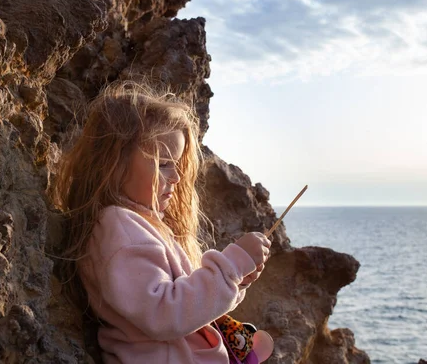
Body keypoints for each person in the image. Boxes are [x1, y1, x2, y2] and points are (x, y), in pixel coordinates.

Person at [50, 80, 271, 363]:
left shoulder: (138, 223)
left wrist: (236, 281)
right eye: (164, 163)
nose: (177, 177)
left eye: (177, 165)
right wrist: (230, 268)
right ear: (115, 164)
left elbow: (183, 306)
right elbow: (163, 313)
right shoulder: (119, 227)